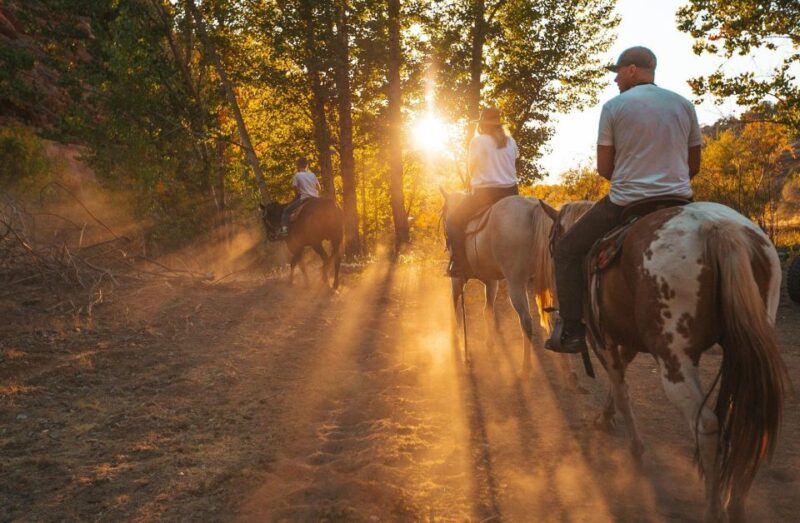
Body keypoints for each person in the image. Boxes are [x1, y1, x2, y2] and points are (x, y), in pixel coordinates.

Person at [545, 46, 702, 354]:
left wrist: (637, 178)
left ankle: (572, 330)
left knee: (566, 250)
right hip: (679, 201)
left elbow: (605, 168)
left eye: (617, 72)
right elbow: (693, 165)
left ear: (632, 70)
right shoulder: (684, 105)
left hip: (628, 201)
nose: (615, 79)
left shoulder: (615, 106)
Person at [446, 106, 519, 277]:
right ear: (498, 124)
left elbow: (472, 167)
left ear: (482, 125)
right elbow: (513, 162)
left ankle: (459, 264)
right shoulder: (511, 141)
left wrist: (474, 178)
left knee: (453, 221)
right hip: (512, 193)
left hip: (486, 194)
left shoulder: (478, 141)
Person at [279, 157, 321, 237]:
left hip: (304, 198)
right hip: (316, 198)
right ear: (307, 165)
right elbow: (319, 188)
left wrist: (298, 195)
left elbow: (295, 188)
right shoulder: (312, 174)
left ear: (298, 166)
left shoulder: (297, 175)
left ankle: (284, 231)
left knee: (286, 211)